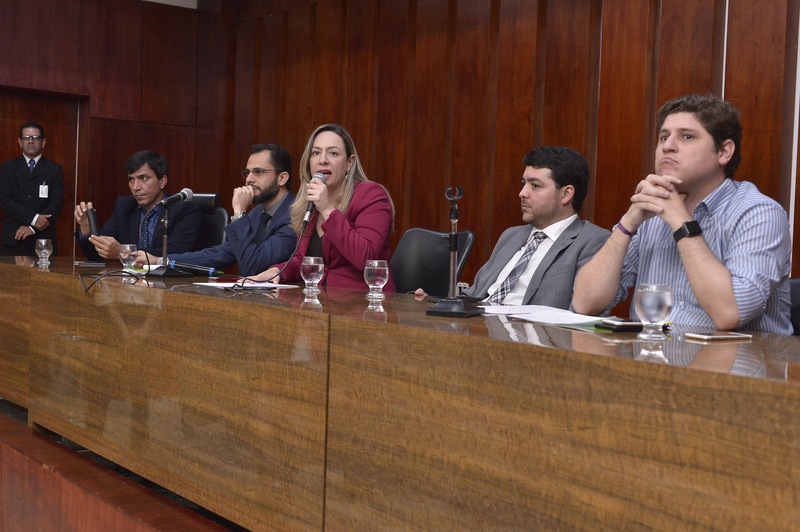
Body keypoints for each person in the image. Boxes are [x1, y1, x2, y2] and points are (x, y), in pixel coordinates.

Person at [572, 93, 792, 334]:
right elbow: (585, 303)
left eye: (687, 136)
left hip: (737, 357)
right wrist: (627, 224)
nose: (668, 146)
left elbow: (729, 314)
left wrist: (681, 222)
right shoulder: (650, 214)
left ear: (724, 152)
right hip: (653, 353)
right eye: (664, 137)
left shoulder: (758, 213)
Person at [458, 146, 610, 309]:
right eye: (524, 183)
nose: (522, 193)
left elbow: (582, 311)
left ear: (566, 194)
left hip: (525, 324)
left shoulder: (593, 241)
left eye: (535, 186)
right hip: (477, 319)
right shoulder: (511, 235)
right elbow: (473, 294)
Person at [250, 123, 396, 290]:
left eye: (333, 153)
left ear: (349, 163)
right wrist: (277, 271)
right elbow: (303, 260)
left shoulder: (371, 195)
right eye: (316, 153)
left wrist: (327, 209)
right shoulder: (310, 202)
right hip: (319, 300)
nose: (323, 160)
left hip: (364, 301)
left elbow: (367, 258)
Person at [137, 144, 297, 276]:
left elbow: (253, 265)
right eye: (247, 173)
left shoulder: (295, 215)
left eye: (259, 172)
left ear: (282, 178)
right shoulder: (258, 213)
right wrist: (161, 260)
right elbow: (220, 254)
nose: (249, 179)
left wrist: (239, 213)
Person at [74, 150, 201, 262]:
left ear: (162, 181)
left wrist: (123, 252)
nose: (136, 187)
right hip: (130, 278)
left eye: (143, 178)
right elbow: (97, 255)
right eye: (131, 179)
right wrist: (86, 228)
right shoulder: (124, 207)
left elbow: (177, 252)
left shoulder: (185, 210)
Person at [0, 121, 65, 256]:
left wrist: (33, 228)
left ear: (43, 142)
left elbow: (56, 204)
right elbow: (5, 200)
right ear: (20, 142)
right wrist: (34, 218)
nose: (30, 141)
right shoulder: (8, 168)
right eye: (26, 138)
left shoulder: (54, 170)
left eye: (35, 138)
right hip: (13, 239)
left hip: (42, 241)